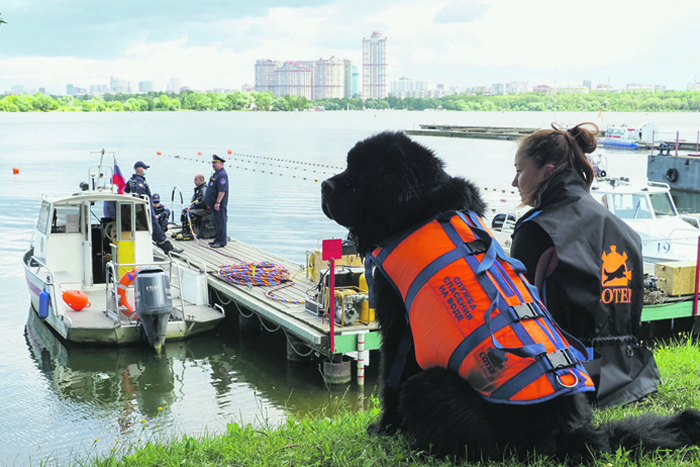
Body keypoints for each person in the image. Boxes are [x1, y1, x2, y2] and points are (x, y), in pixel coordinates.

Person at [509, 122, 660, 408]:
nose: (514, 182)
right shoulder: (625, 230)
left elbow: (517, 310)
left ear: (547, 171)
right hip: (629, 374)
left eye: (519, 170)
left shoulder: (537, 228)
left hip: (568, 377)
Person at [125, 161, 183, 255]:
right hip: (145, 208)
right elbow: (141, 193)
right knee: (156, 229)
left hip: (137, 209)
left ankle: (165, 248)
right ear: (139, 169)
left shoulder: (131, 180)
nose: (146, 170)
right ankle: (169, 249)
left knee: (152, 229)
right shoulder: (139, 181)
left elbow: (126, 190)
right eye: (144, 168)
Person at [205, 154, 229, 248]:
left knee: (220, 222)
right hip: (213, 203)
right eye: (212, 163)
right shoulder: (216, 173)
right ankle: (217, 238)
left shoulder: (222, 175)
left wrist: (218, 202)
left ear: (220, 163)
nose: (213, 165)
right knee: (216, 222)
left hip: (219, 204)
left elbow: (222, 190)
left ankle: (221, 241)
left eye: (214, 163)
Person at [177, 174, 209, 240]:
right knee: (184, 211)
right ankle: (185, 229)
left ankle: (190, 232)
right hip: (198, 208)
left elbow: (203, 202)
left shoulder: (204, 189)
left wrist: (193, 206)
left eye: (195, 180)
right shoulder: (199, 189)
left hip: (204, 209)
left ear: (201, 180)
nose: (194, 181)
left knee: (190, 213)